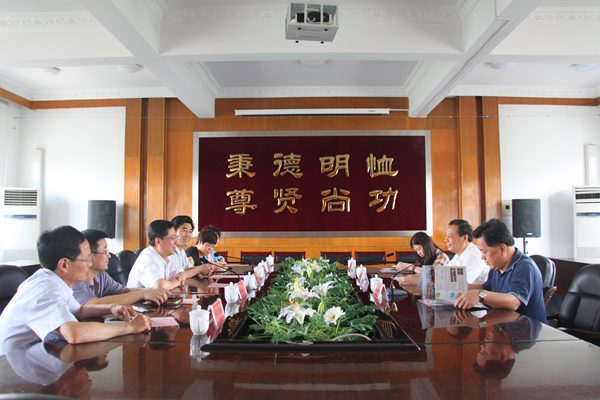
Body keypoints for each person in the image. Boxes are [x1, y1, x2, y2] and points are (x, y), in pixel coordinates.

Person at [0, 226, 150, 353]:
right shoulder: (45, 290)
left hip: (38, 355)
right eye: (86, 259)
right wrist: (130, 327)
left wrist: (112, 308)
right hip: (11, 367)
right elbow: (74, 334)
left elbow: (79, 310)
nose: (89, 264)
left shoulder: (54, 281)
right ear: (64, 264)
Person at [454, 219, 546, 323]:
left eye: (484, 252)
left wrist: (479, 295)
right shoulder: (497, 266)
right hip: (504, 325)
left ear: (502, 249)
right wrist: (461, 287)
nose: (482, 257)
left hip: (528, 329)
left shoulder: (525, 267)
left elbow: (514, 302)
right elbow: (487, 287)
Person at [72, 229, 169, 306]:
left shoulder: (100, 275)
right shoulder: (75, 278)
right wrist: (142, 294)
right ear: (89, 255)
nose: (109, 256)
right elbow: (91, 304)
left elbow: (123, 291)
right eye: (105, 251)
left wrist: (152, 291)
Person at [126, 220, 187, 290]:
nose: (176, 241)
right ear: (158, 241)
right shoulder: (147, 259)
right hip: (141, 297)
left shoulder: (171, 254)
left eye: (176, 237)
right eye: (173, 238)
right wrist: (178, 282)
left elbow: (181, 273)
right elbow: (160, 287)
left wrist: (182, 276)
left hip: (166, 296)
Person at [445, 219, 489, 284]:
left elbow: (463, 283)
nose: (446, 240)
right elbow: (445, 274)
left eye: (450, 236)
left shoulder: (475, 255)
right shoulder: (458, 254)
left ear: (465, 238)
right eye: (446, 236)